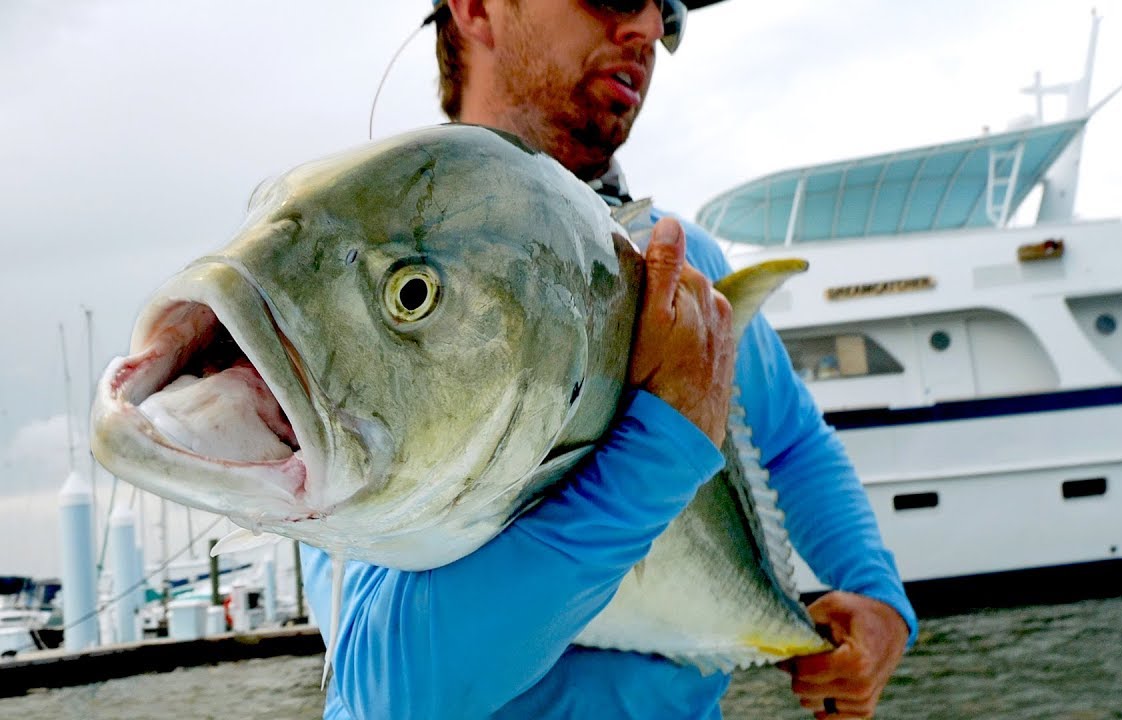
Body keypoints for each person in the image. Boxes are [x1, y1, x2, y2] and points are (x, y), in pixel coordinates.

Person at [300, 1, 919, 718]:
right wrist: (658, 445)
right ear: (474, 9)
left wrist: (875, 595)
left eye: (670, 13)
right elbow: (393, 694)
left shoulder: (686, 267)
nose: (649, 30)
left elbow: (793, 444)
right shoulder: (368, 282)